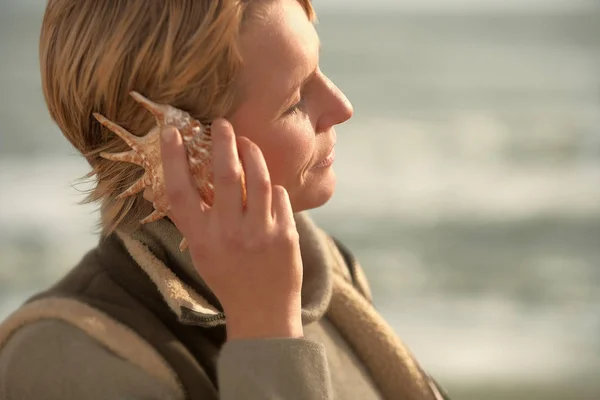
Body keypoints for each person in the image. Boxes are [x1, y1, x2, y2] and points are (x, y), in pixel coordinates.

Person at [0, 1, 449, 399]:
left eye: (320, 68)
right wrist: (266, 331)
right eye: (295, 100)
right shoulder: (65, 358)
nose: (342, 106)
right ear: (180, 150)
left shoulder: (324, 271)